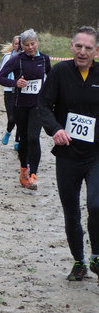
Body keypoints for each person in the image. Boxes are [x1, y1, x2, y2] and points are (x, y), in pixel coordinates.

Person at [39, 26, 99, 281]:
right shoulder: (60, 72)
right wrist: (56, 129)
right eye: (79, 46)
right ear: (71, 47)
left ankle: (97, 255)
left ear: (96, 50)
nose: (82, 52)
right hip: (68, 155)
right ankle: (79, 262)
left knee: (96, 204)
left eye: (88, 47)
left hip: (96, 154)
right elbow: (43, 105)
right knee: (71, 211)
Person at [0, 29, 51, 190]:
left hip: (37, 105)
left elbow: (52, 77)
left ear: (37, 43)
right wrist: (15, 83)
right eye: (26, 45)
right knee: (25, 139)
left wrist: (50, 96)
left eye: (32, 44)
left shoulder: (44, 59)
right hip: (20, 105)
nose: (30, 47)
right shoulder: (16, 60)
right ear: (21, 45)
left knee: (34, 138)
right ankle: (23, 170)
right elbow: (0, 78)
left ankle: (34, 175)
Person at [0, 35, 21, 149]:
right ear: (13, 45)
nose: (18, 46)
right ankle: (8, 131)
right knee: (12, 118)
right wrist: (12, 82)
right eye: (16, 44)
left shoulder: (26, 57)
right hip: (9, 91)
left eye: (20, 44)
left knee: (20, 118)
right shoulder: (7, 57)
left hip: (22, 91)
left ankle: (18, 140)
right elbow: (0, 75)